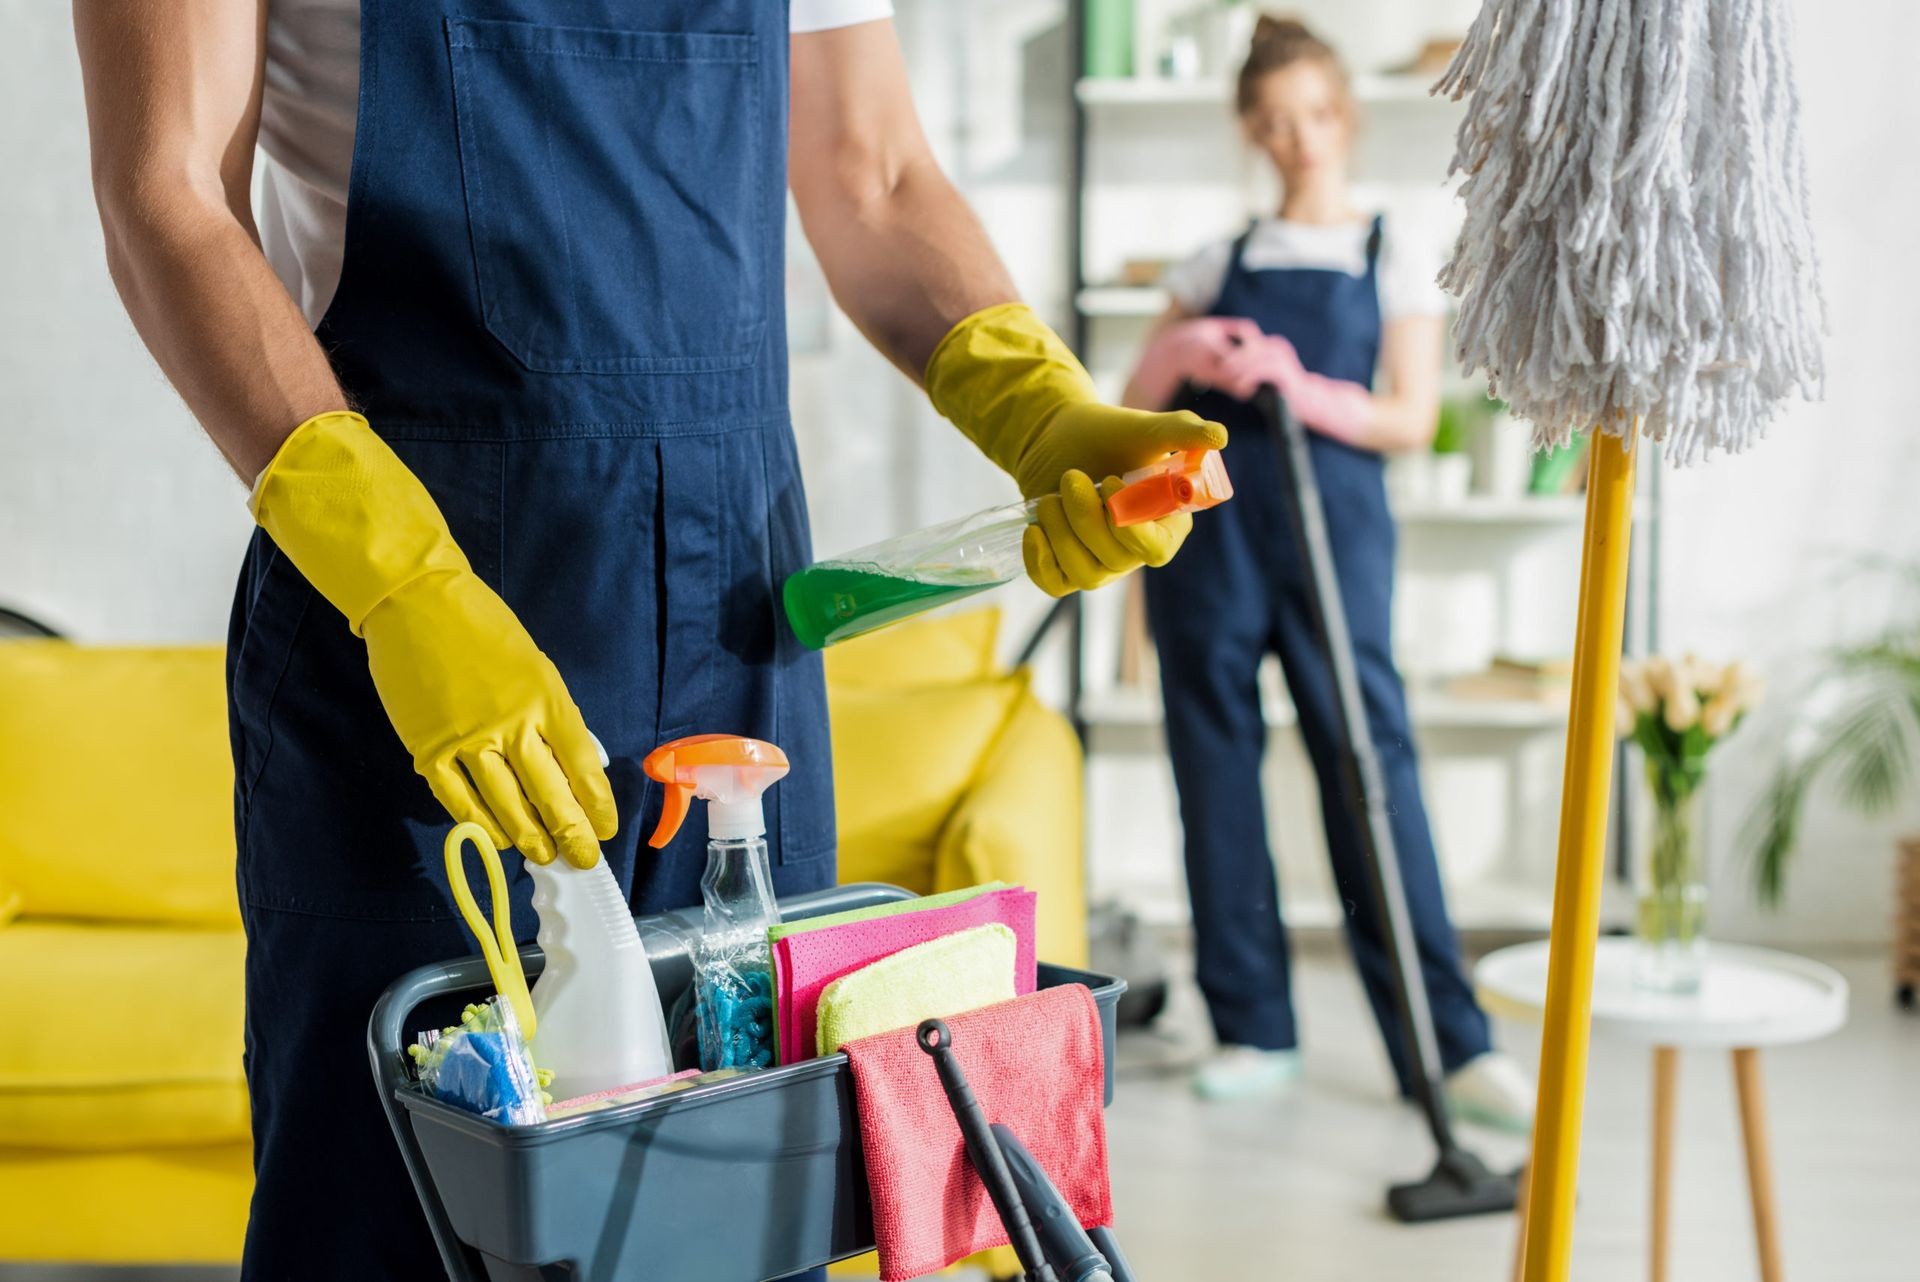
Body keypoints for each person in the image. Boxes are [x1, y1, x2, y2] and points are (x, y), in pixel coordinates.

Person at [73, 2, 1224, 1274]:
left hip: (731, 626)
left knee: (739, 1193)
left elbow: (877, 172)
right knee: (396, 1207)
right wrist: (402, 584)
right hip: (409, 633)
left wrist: (1037, 402)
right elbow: (166, 194)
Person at [1122, 16, 1532, 1126]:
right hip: (1211, 546)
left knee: (1369, 762)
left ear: (1341, 114)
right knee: (1215, 772)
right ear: (1251, 132)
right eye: (1271, 122)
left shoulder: (1391, 249)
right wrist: (1193, 354)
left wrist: (1296, 385)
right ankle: (1252, 1024)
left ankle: (1447, 1048)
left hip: (1333, 534)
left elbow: (1408, 415)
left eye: (1311, 115)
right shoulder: (1219, 257)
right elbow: (1134, 395)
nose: (1296, 138)